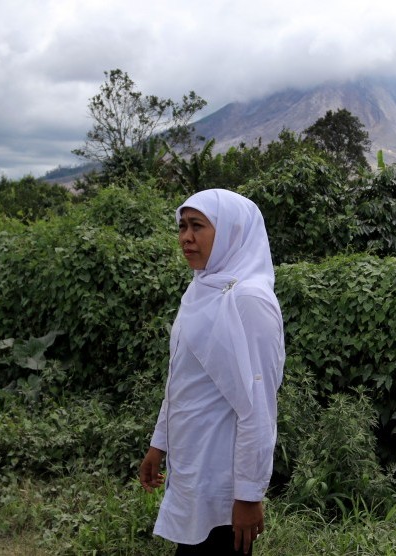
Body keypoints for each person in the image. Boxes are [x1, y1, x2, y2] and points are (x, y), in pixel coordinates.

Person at [139, 188, 285, 555]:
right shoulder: (202, 288)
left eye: (198, 226)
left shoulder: (248, 299)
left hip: (224, 482)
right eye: (182, 226)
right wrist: (160, 444)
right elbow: (183, 380)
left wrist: (249, 494)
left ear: (231, 231)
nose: (186, 237)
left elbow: (258, 406)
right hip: (192, 469)